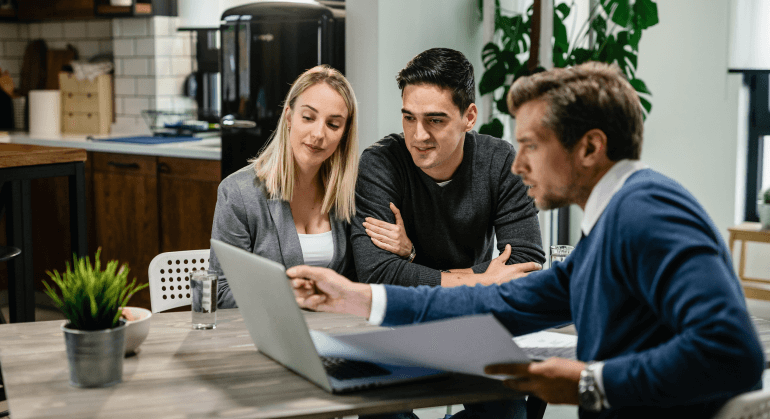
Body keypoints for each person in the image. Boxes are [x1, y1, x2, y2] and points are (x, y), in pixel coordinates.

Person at [287, 62, 765, 418]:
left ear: (590, 148)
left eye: (532, 145)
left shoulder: (648, 210)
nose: (517, 165)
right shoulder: (612, 220)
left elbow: (731, 351)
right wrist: (356, 297)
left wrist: (587, 382)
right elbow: (499, 303)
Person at [353, 47, 545, 289]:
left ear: (470, 117)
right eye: (409, 118)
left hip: (474, 314)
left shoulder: (499, 161)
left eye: (435, 120)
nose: (418, 136)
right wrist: (481, 279)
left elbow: (527, 262)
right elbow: (375, 272)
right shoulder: (381, 163)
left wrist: (412, 258)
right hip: (405, 316)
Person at [209, 65, 360, 308]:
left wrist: (407, 249)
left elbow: (360, 279)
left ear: (344, 133)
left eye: (333, 124)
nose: (318, 133)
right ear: (289, 118)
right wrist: (286, 294)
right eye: (308, 117)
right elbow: (221, 292)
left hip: (335, 333)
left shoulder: (350, 193)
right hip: (268, 338)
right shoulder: (238, 193)